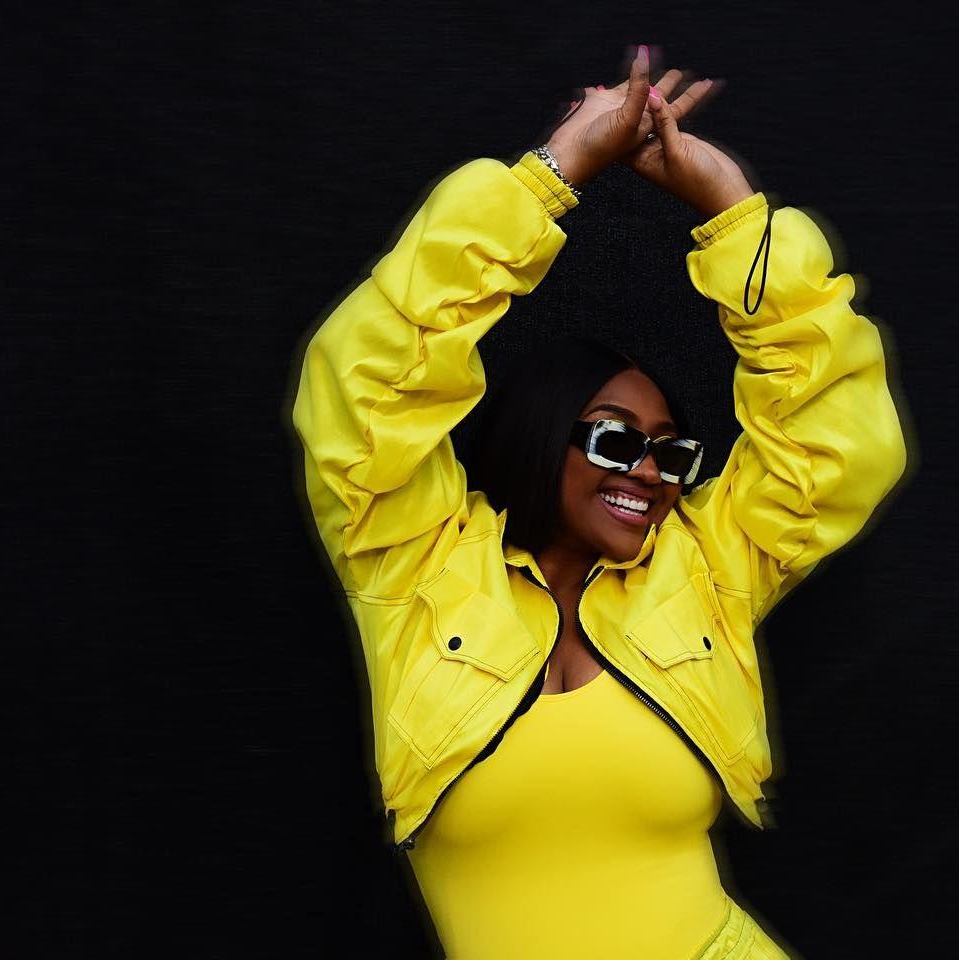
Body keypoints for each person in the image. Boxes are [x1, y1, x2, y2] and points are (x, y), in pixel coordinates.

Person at [291, 44, 908, 960]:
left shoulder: (707, 571)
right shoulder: (415, 565)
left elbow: (836, 444)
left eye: (671, 453)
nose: (649, 472)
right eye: (616, 440)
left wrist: (733, 212)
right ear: (543, 437)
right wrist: (551, 177)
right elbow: (368, 385)